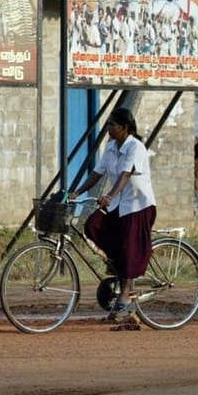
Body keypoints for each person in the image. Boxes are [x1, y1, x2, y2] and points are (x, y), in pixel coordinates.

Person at [70, 107, 156, 324]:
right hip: (120, 204)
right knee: (93, 225)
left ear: (124, 128)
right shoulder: (110, 147)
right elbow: (97, 173)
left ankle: (126, 293)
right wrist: (77, 192)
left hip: (138, 205)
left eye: (112, 125)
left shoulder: (135, 147)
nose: (108, 128)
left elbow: (126, 174)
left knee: (129, 246)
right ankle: (118, 264)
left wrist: (108, 196)